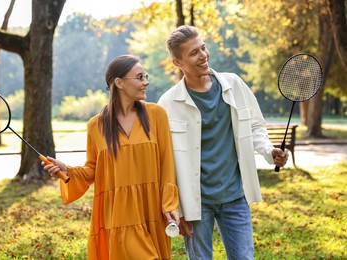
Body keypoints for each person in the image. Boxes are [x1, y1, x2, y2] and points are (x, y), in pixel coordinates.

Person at [157, 25, 289, 260]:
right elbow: (164, 161)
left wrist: (269, 151)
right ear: (178, 63)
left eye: (203, 47)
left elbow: (256, 126)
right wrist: (178, 208)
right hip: (196, 204)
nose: (203, 55)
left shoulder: (235, 84)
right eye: (194, 53)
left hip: (235, 197)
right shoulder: (167, 103)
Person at [43, 54, 180, 260]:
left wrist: (170, 203)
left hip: (150, 208)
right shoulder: (96, 126)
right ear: (119, 83)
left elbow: (167, 163)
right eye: (140, 77)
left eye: (146, 76)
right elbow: (93, 170)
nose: (146, 82)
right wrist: (67, 170)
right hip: (117, 213)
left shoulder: (156, 115)